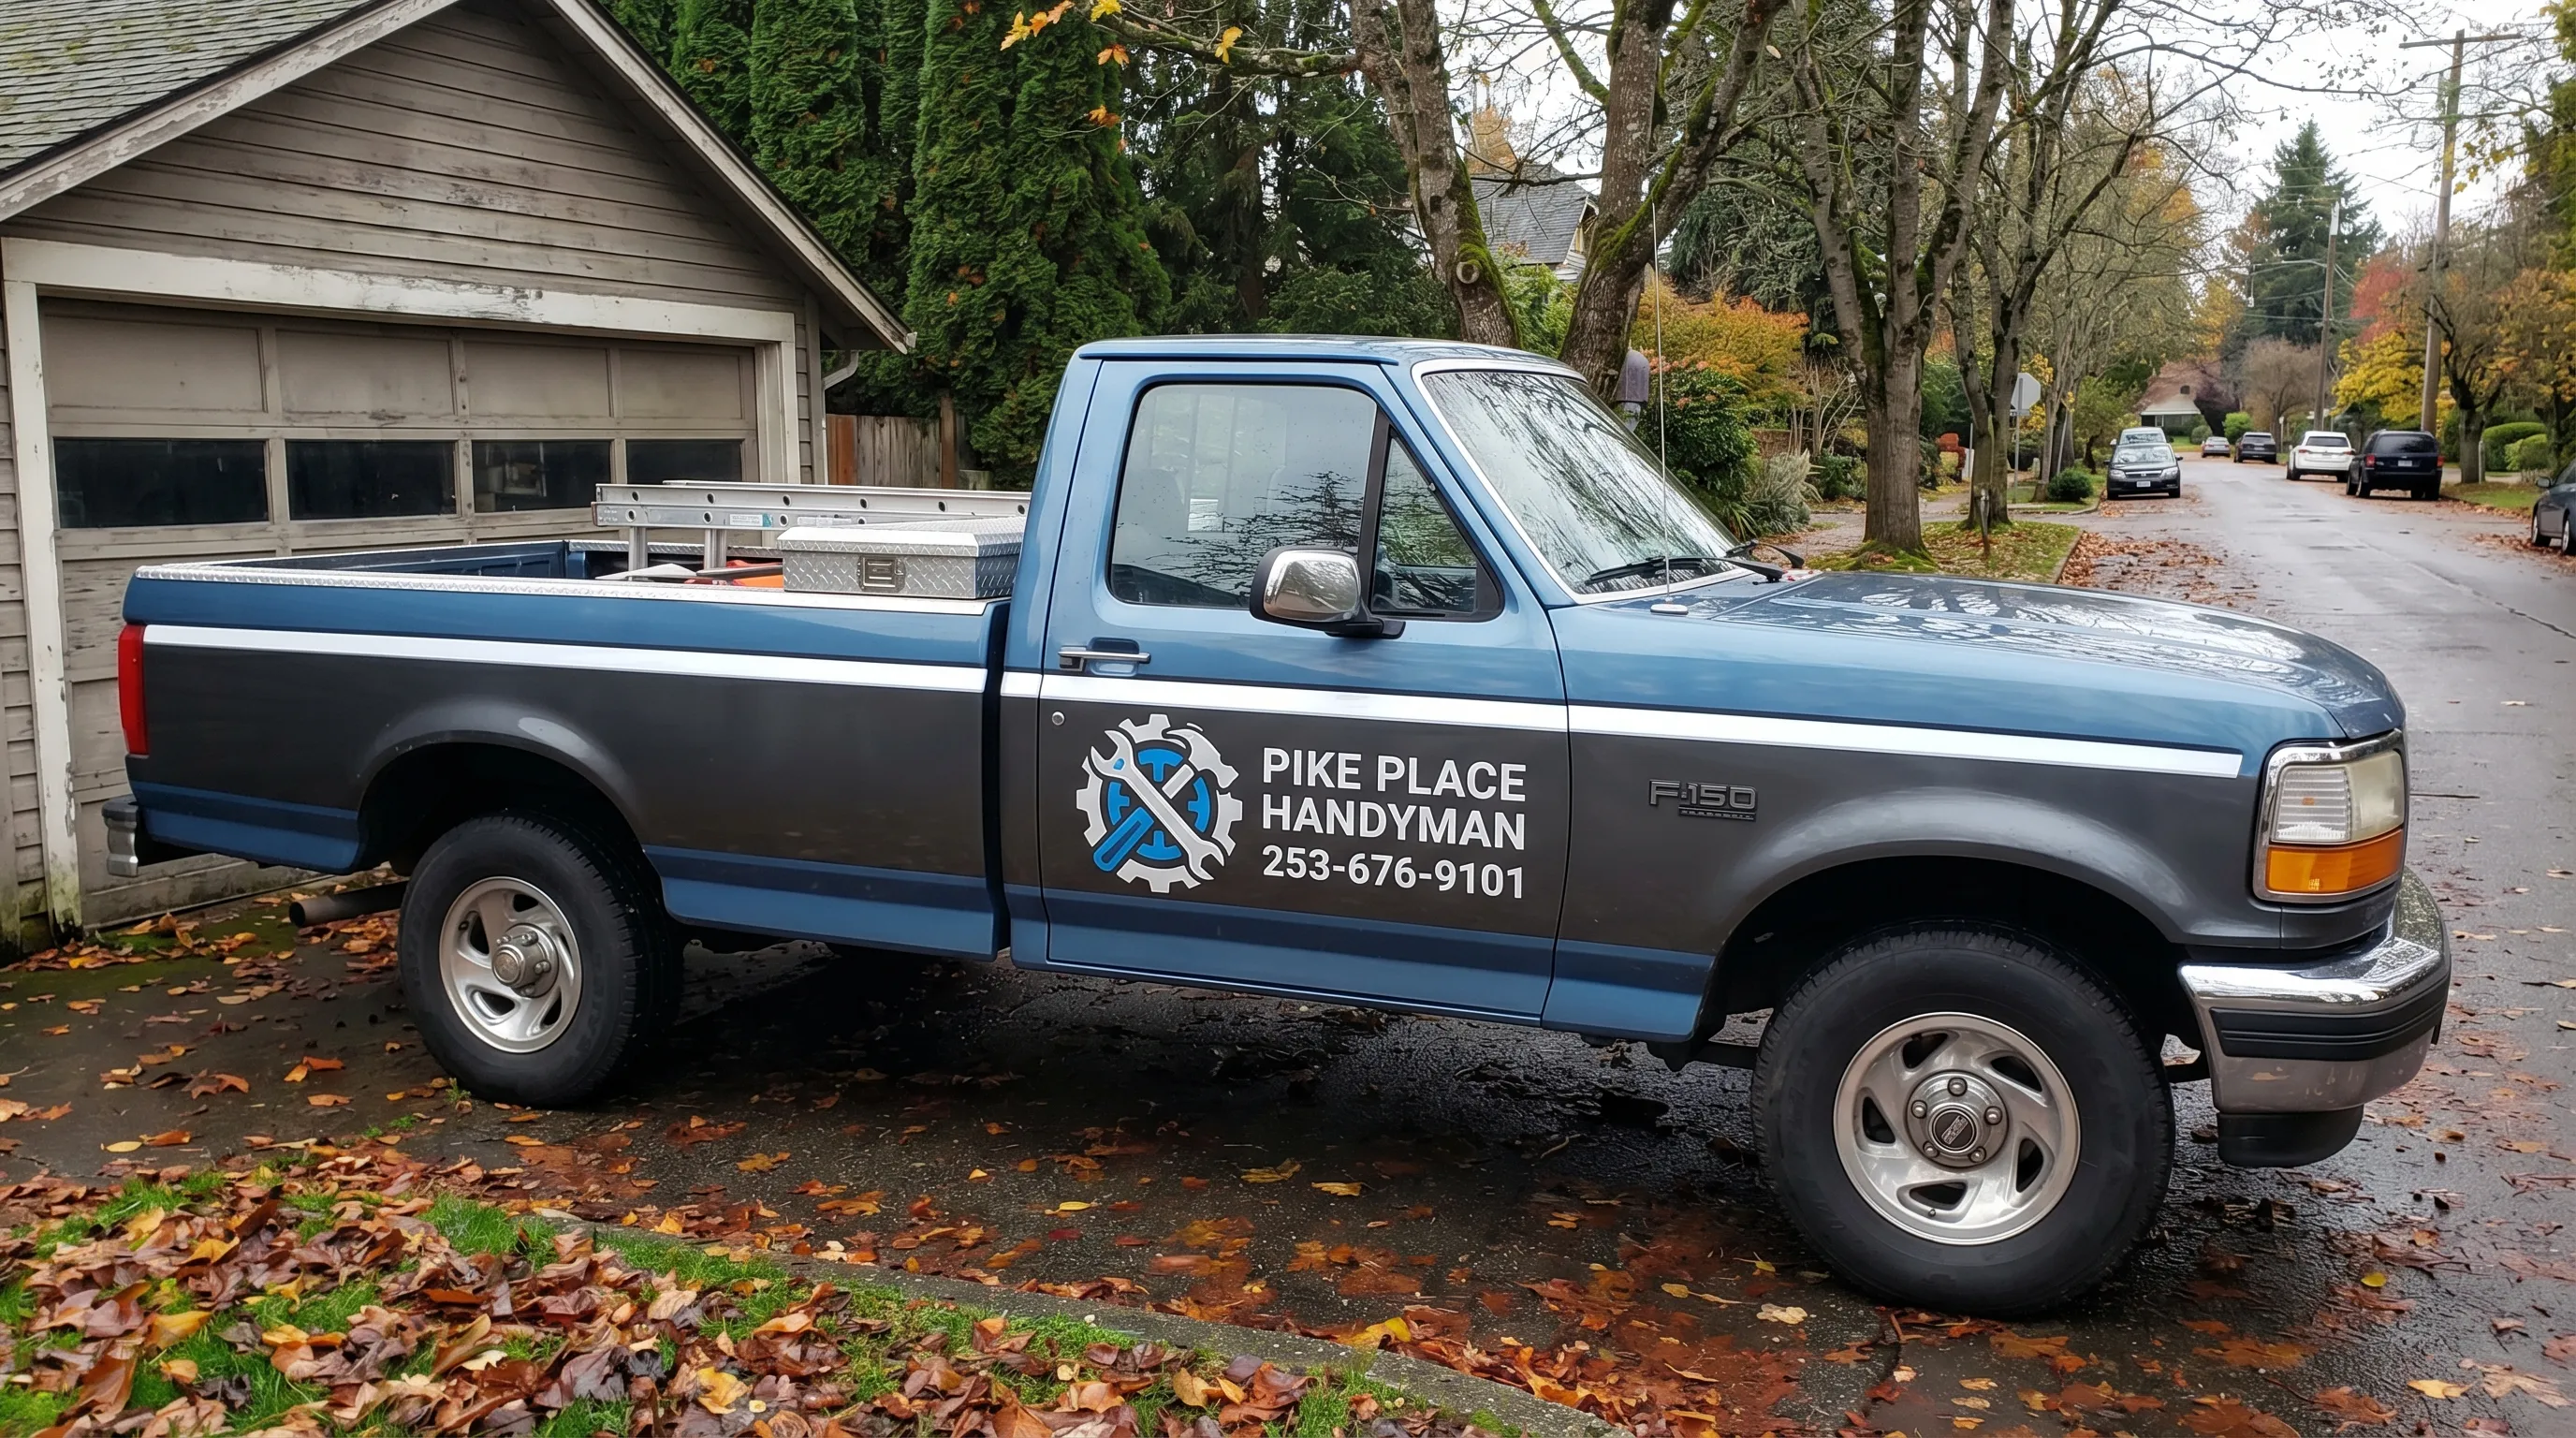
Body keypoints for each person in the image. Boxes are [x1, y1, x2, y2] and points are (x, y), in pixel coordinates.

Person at [1616, 348, 1651, 431]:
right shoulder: (1640, 359)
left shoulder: (1630, 357)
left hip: (1627, 400)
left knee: (1623, 431)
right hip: (1637, 401)